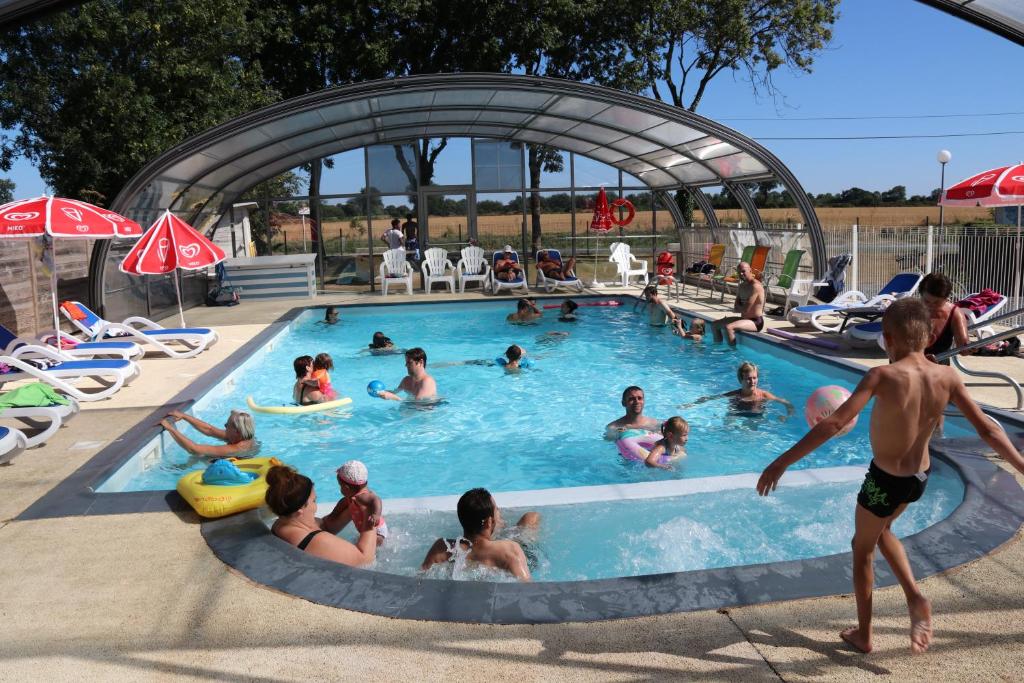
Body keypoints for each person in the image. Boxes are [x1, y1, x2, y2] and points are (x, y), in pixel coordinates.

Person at [756, 298, 1024, 655]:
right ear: (930, 337)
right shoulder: (947, 376)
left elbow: (834, 422)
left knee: (861, 548)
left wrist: (782, 462)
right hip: (921, 477)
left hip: (885, 480)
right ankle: (913, 597)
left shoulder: (882, 375)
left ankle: (866, 633)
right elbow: (989, 431)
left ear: (888, 339)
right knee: (884, 531)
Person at [265, 463, 378, 567]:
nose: (315, 506)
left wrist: (350, 507)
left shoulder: (284, 521)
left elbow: (326, 526)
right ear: (300, 510)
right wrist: (369, 512)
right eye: (314, 501)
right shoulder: (314, 541)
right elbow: (365, 560)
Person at [420, 488, 540, 582]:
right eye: (497, 509)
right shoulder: (509, 550)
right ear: (489, 522)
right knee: (531, 517)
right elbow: (527, 589)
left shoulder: (441, 548)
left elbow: (420, 580)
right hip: (501, 547)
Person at [681, 361, 794, 421]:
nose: (752, 381)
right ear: (741, 380)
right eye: (748, 378)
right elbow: (711, 398)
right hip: (735, 416)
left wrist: (786, 417)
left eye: (754, 378)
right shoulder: (736, 394)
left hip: (755, 418)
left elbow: (786, 403)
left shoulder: (763, 395)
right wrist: (691, 404)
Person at [321, 460, 388, 546]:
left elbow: (376, 499)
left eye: (340, 486)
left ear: (346, 488)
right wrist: (333, 515)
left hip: (378, 531)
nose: (340, 489)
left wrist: (376, 515)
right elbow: (342, 503)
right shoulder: (351, 496)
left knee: (372, 543)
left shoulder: (362, 496)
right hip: (365, 527)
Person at [160, 409, 256, 459]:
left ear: (237, 431)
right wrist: (184, 416)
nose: (225, 426)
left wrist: (170, 429)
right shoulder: (242, 436)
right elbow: (209, 430)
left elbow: (194, 449)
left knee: (202, 456)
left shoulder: (236, 448)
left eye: (227, 425)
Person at [919, 272, 971, 364]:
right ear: (921, 295)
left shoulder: (955, 313)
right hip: (909, 367)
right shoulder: (908, 310)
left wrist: (972, 348)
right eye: (926, 301)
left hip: (939, 366)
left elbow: (964, 350)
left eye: (937, 303)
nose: (931, 306)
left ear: (946, 299)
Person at [711, 262, 766, 345]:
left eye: (743, 271)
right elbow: (736, 307)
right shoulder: (742, 286)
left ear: (750, 271)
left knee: (729, 327)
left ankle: (732, 355)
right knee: (715, 324)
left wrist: (740, 307)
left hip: (755, 322)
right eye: (739, 272)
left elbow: (746, 310)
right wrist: (740, 308)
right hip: (744, 319)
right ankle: (717, 348)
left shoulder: (756, 286)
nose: (741, 273)